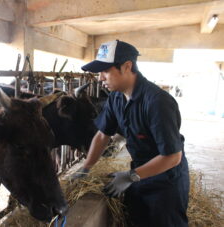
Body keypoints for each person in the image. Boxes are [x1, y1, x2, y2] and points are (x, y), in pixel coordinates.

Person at [71, 40, 190, 227]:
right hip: (138, 171)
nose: (101, 78)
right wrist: (85, 168)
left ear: (127, 66)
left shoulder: (157, 102)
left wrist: (130, 176)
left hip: (166, 181)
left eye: (105, 71)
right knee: (136, 220)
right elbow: (103, 135)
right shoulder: (116, 97)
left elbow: (173, 157)